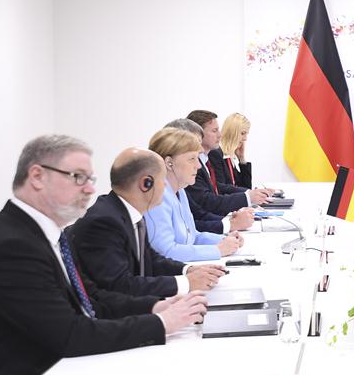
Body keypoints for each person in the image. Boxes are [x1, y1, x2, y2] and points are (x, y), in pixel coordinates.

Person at [0, 135, 207, 375]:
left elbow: (90, 301)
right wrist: (160, 324)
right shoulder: (13, 246)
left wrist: (151, 307)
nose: (90, 189)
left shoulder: (41, 234)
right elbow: (70, 334)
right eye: (78, 178)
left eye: (90, 179)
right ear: (37, 176)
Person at [70, 148, 227, 297]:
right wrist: (184, 283)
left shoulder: (128, 213)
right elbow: (120, 285)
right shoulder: (104, 223)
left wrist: (188, 270)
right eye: (162, 179)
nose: (165, 186)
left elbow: (151, 259)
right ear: (146, 184)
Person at [144, 128, 242, 262]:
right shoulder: (156, 197)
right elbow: (166, 251)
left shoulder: (180, 191)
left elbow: (192, 237)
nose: (198, 166)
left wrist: (224, 239)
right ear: (169, 163)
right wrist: (218, 250)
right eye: (192, 159)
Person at [165, 118, 253, 235]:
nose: (198, 165)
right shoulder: (159, 196)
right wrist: (230, 224)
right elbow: (170, 247)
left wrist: (229, 223)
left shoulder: (180, 191)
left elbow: (195, 221)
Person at [186, 109, 272, 211]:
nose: (220, 135)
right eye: (243, 133)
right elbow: (216, 193)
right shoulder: (214, 154)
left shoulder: (223, 155)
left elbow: (235, 186)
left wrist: (242, 160)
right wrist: (248, 196)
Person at [210, 112, 253, 189]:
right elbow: (221, 189)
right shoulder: (216, 153)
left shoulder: (228, 156)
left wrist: (242, 159)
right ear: (232, 133)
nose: (245, 139)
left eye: (247, 134)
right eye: (243, 133)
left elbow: (245, 187)